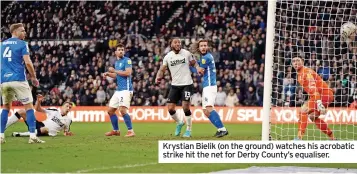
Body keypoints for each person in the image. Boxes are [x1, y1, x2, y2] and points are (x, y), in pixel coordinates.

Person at [0, 23, 44, 144]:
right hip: (19, 79)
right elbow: (28, 62)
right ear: (15, 32)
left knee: (6, 108)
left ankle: (1, 136)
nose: (25, 33)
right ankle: (32, 136)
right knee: (29, 107)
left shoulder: (2, 45)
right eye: (22, 31)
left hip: (4, 81)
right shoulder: (22, 44)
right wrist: (34, 77)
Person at [155, 38, 204, 137]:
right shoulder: (168, 57)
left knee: (185, 106)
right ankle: (179, 122)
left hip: (187, 84)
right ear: (171, 45)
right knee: (170, 108)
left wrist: (198, 68)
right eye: (175, 42)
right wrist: (158, 77)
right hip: (175, 85)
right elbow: (162, 69)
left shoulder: (186, 53)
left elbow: (193, 62)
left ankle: (189, 130)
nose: (178, 44)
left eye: (179, 42)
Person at [292, 56, 336, 140]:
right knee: (313, 117)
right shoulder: (299, 75)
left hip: (323, 94)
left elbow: (313, 87)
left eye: (298, 60)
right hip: (322, 95)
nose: (296, 63)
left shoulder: (306, 72)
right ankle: (332, 138)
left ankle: (299, 138)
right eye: (294, 61)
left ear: (303, 62)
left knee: (303, 111)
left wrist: (319, 102)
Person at [191, 39, 228, 137]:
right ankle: (220, 129)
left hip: (210, 86)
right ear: (199, 48)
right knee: (206, 111)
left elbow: (200, 71)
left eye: (205, 45)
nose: (203, 47)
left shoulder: (206, 57)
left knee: (209, 108)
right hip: (207, 86)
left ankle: (222, 129)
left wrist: (189, 66)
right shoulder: (204, 57)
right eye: (201, 46)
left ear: (207, 47)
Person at [104, 44, 135, 137]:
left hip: (126, 89)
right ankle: (116, 130)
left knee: (122, 110)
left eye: (122, 49)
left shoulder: (127, 60)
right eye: (119, 50)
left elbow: (128, 73)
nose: (121, 51)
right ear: (116, 52)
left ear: (124, 51)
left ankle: (131, 131)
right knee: (110, 111)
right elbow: (117, 75)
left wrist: (114, 70)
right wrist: (109, 74)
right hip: (119, 90)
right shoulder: (117, 63)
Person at [6, 94, 74, 137]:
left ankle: (20, 134)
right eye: (67, 106)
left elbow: (66, 131)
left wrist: (67, 133)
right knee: (22, 112)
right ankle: (2, 128)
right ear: (62, 106)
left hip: (48, 132)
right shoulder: (54, 110)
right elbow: (38, 109)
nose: (68, 108)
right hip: (40, 124)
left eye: (70, 107)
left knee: (45, 129)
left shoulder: (69, 120)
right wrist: (38, 101)